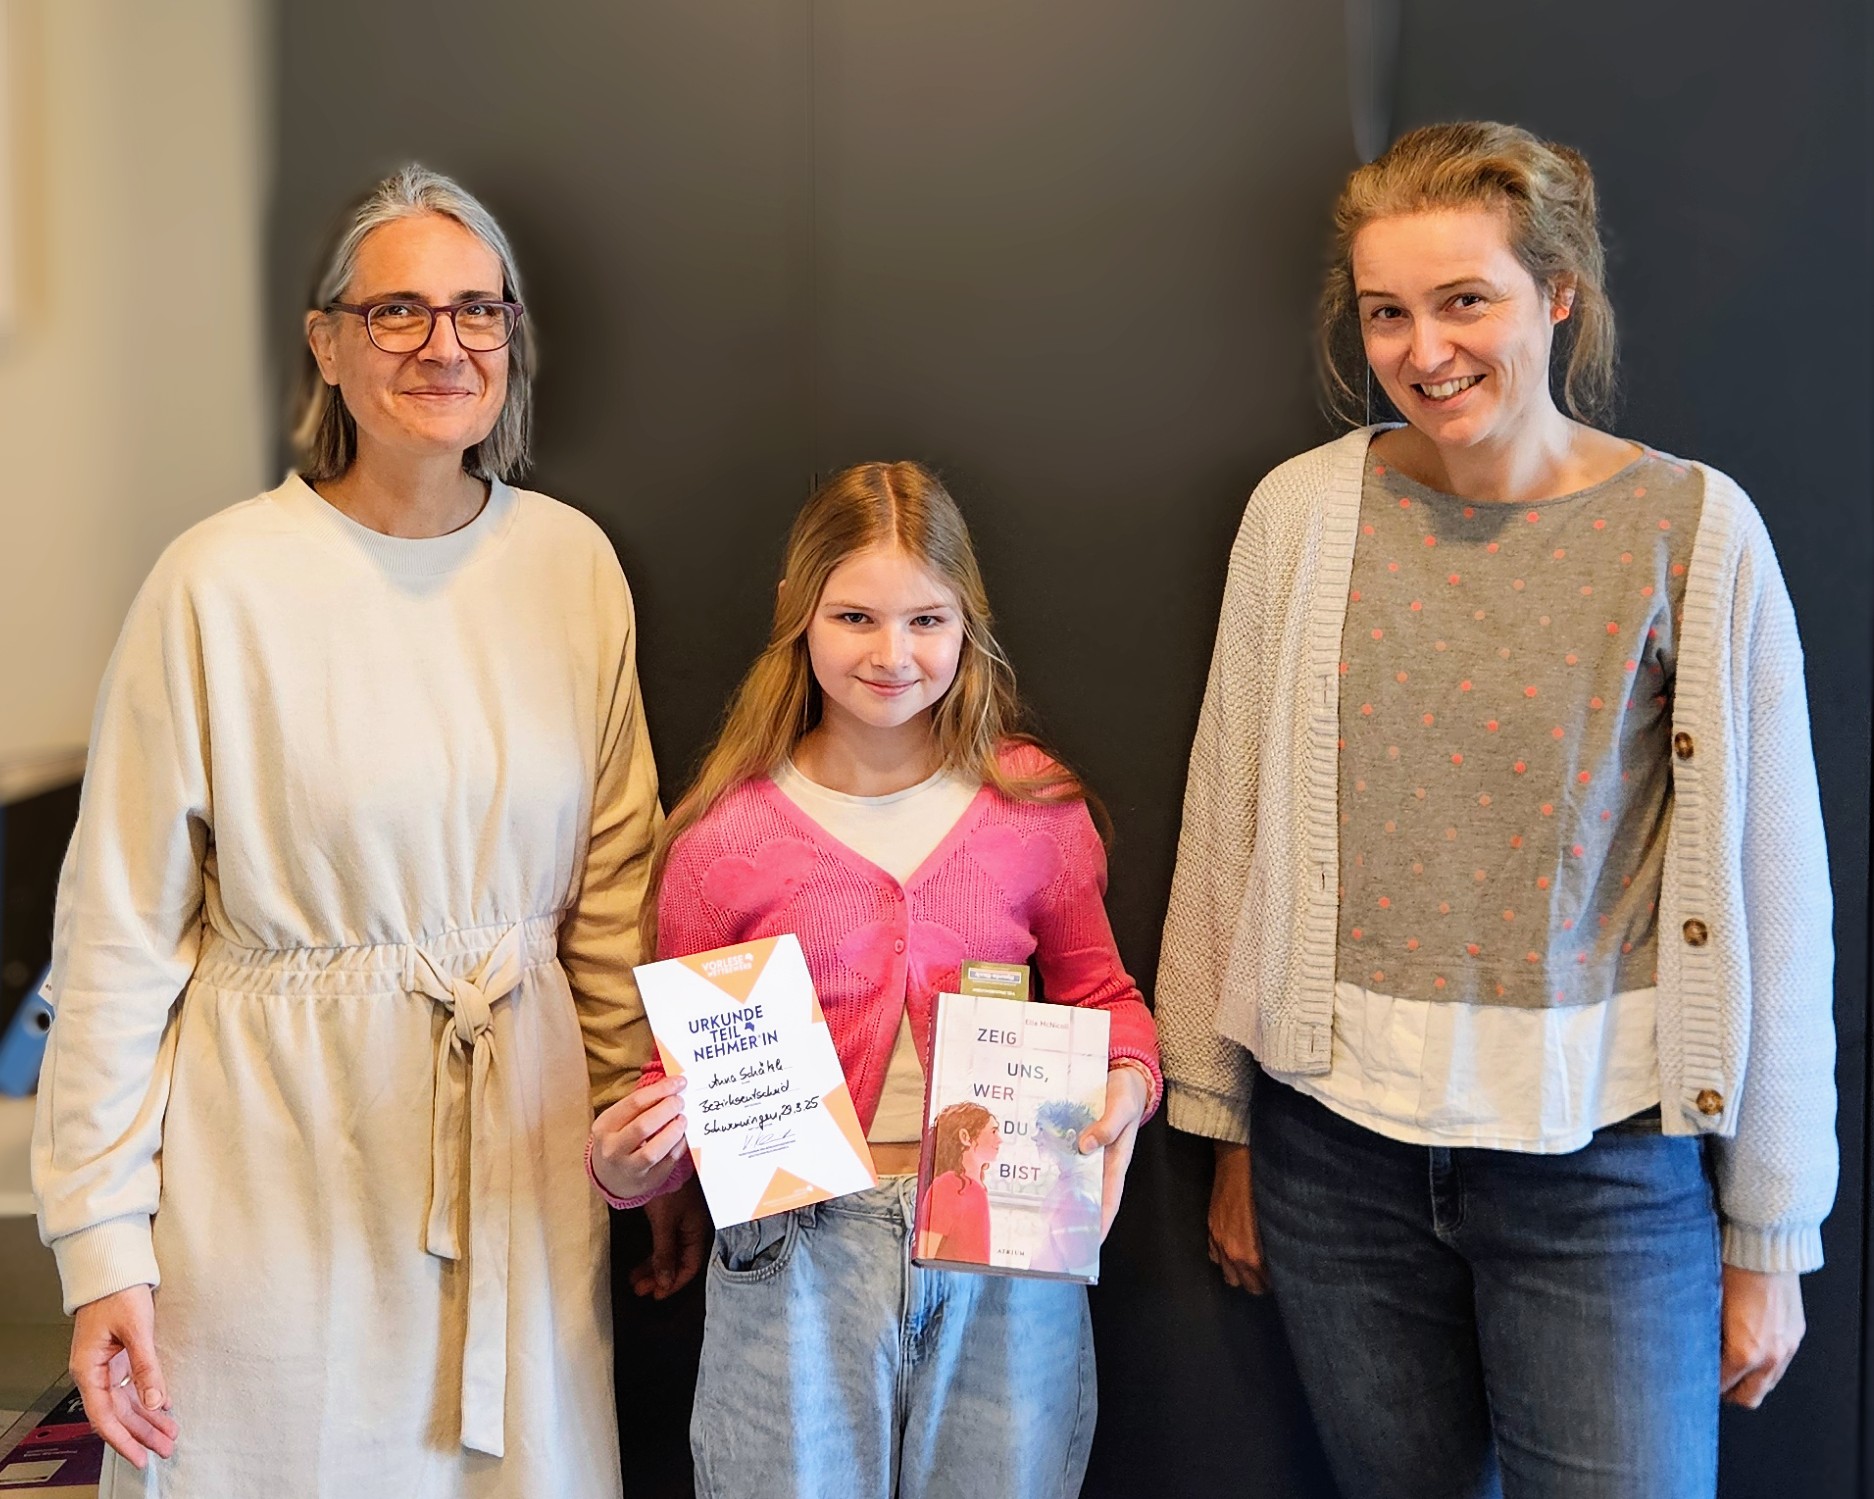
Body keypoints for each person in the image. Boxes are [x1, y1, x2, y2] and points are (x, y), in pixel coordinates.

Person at [1157, 121, 1835, 1499]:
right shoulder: (1301, 514)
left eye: (1464, 299)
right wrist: (1220, 1120)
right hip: (1333, 1158)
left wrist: (1770, 1231)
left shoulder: (1693, 531)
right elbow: (1227, 821)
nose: (1424, 350)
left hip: (1603, 1168)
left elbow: (1776, 889)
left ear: (1556, 293)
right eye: (1385, 313)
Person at [32, 165, 660, 1497]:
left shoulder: (571, 566)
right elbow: (119, 934)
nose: (445, 344)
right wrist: (100, 1241)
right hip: (276, 1155)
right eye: (398, 311)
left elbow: (613, 887)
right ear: (325, 341)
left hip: (518, 1142)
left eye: (478, 309)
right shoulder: (218, 581)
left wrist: (637, 1140)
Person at [586, 461, 1162, 1499]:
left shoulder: (1033, 807)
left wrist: (1127, 1081)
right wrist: (628, 1167)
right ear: (796, 614)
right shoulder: (722, 841)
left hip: (1005, 1247)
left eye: (925, 620)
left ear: (966, 620)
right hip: (794, 1257)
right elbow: (683, 1095)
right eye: (855, 616)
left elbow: (1104, 1000)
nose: (892, 654)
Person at [916, 1102, 1001, 1264]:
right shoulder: (947, 1186)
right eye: (993, 1131)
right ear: (965, 1137)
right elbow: (924, 1256)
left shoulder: (977, 1189)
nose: (999, 1140)